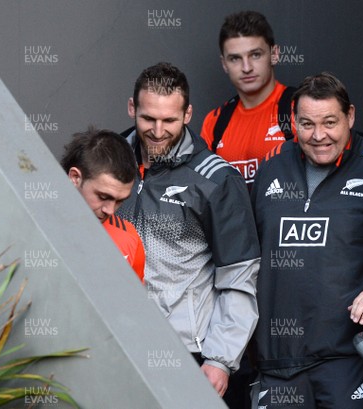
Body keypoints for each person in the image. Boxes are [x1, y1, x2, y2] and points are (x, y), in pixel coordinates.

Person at [117, 62, 260, 397]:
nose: (157, 130)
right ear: (131, 108)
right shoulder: (110, 162)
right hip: (120, 338)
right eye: (147, 118)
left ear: (188, 114)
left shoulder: (216, 179)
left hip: (186, 350)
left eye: (169, 120)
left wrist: (220, 359)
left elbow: (239, 275)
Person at [250, 72, 363, 408]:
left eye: (330, 122)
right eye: (307, 124)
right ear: (293, 121)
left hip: (346, 360)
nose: (319, 135)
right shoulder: (271, 167)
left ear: (350, 116)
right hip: (278, 362)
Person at [201, 10, 296, 186]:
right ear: (224, 64)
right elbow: (206, 193)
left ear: (274, 54)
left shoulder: (298, 109)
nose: (246, 67)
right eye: (235, 58)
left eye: (255, 55)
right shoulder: (214, 123)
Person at [60, 127, 145, 282]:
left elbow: (130, 304)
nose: (110, 210)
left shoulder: (129, 239)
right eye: (103, 196)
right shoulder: (31, 221)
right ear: (74, 178)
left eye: (120, 200)